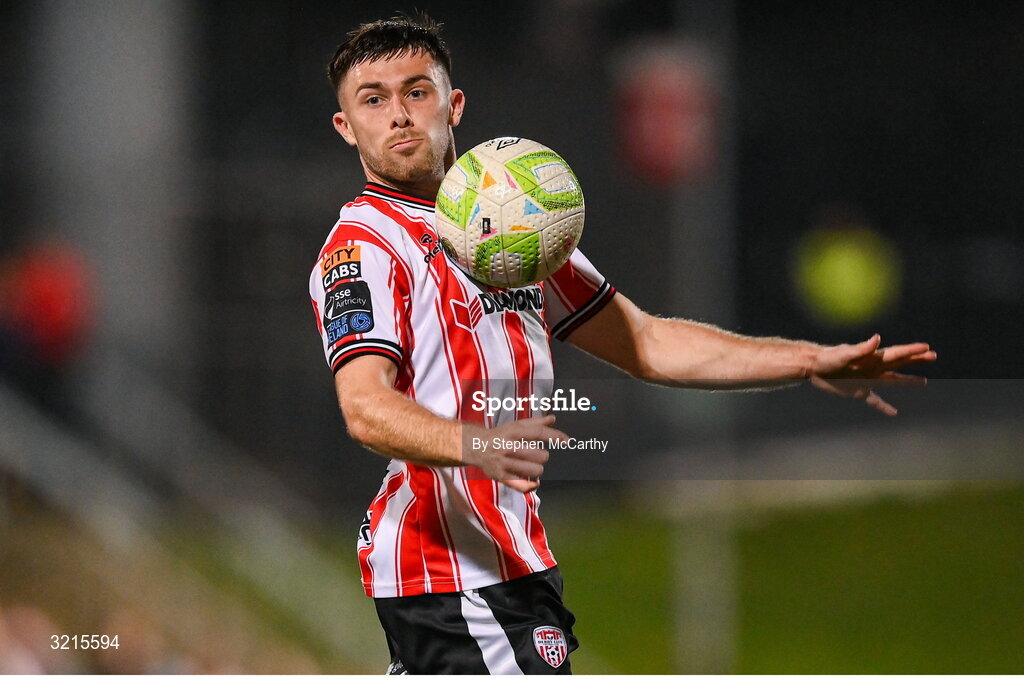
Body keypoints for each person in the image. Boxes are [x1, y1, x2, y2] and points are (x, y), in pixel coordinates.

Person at [309, 14, 936, 674]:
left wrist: (810, 359)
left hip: (502, 561)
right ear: (347, 127)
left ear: (454, 104)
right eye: (373, 99)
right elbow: (365, 406)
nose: (400, 115)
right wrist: (477, 443)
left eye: (417, 91)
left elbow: (647, 342)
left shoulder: (503, 230)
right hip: (450, 569)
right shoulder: (364, 248)